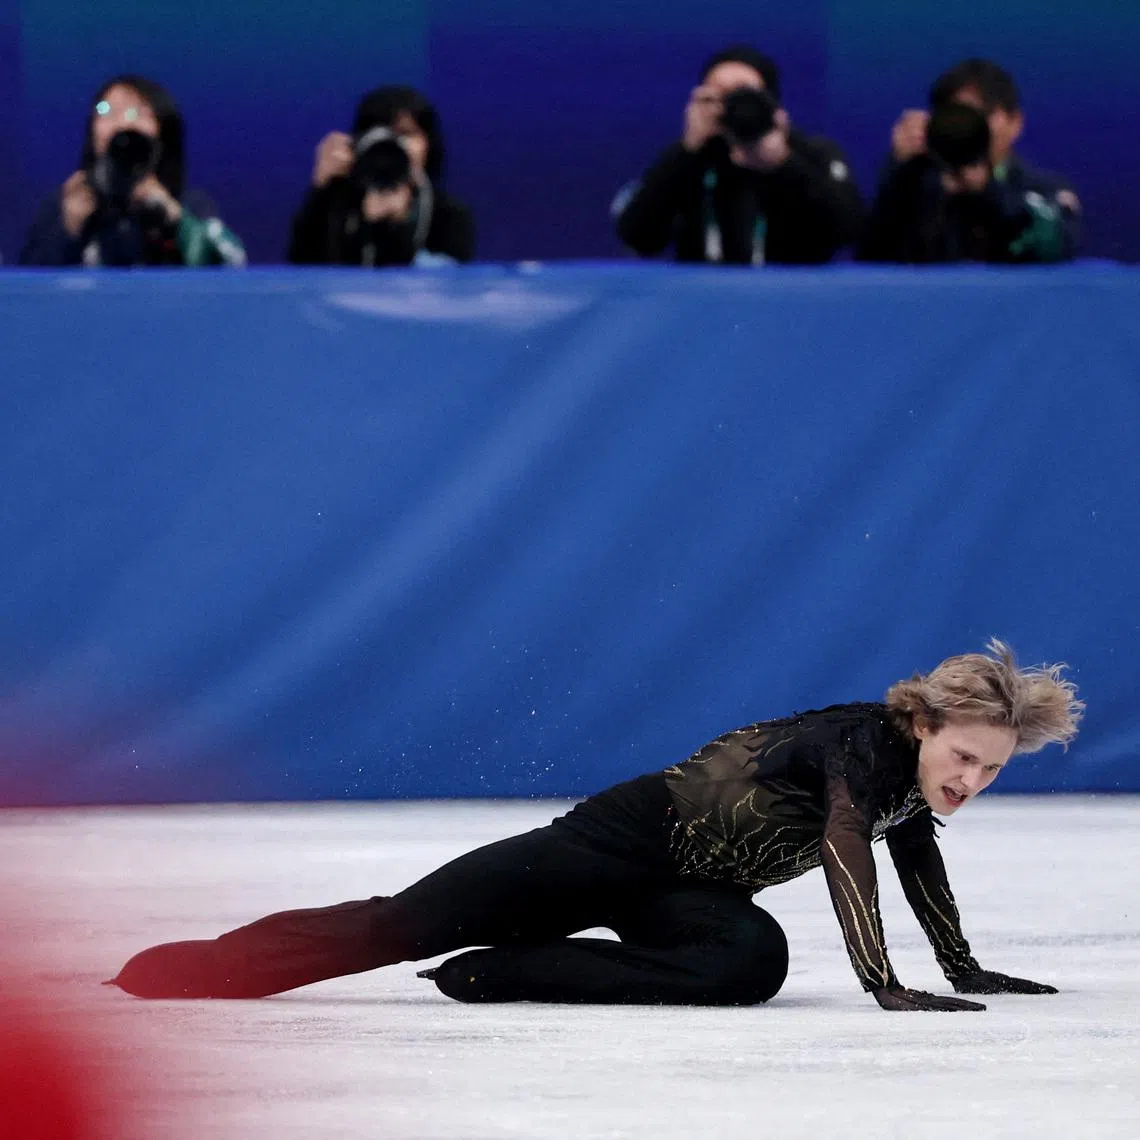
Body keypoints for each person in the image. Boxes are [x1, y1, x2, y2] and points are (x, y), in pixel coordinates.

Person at [109, 640, 1081, 1010]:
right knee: (394, 925)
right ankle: (180, 970)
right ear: (921, 721)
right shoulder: (856, 749)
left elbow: (910, 849)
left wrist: (959, 965)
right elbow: (844, 851)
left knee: (748, 964)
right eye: (965, 758)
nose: (973, 781)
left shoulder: (913, 783)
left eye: (993, 771)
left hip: (689, 893)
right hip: (610, 845)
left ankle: (499, 973)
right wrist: (883, 985)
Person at [612, 46, 864, 266]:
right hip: (703, 306)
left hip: (791, 303)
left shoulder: (811, 154)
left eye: (743, 95)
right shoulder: (689, 159)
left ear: (772, 104)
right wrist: (687, 151)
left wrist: (782, 165)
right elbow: (638, 237)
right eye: (718, 95)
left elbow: (847, 232)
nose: (732, 106)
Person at [859, 59, 1081, 264]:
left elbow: (1052, 249)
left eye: (981, 114)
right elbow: (871, 258)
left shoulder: (1042, 190)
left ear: (1015, 122)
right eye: (956, 115)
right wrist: (899, 171)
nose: (970, 127)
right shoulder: (915, 186)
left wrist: (987, 191)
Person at [19, 75, 245, 268]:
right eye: (105, 110)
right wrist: (68, 228)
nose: (121, 123)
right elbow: (24, 292)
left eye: (138, 113)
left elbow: (232, 266)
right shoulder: (66, 204)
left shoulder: (188, 203)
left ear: (162, 132)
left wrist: (176, 220)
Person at [288, 86, 475, 267]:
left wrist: (396, 226)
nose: (393, 144)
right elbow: (303, 272)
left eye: (405, 134)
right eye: (380, 134)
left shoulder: (450, 215)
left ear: (428, 143)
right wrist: (320, 191)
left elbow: (445, 285)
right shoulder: (337, 206)